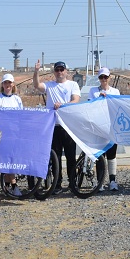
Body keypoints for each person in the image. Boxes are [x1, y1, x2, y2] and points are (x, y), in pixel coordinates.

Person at [32, 60, 81, 191]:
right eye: (57, 70)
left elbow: (76, 100)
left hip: (68, 125)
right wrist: (36, 71)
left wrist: (63, 105)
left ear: (66, 71)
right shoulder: (50, 85)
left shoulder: (73, 84)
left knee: (70, 156)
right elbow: (37, 85)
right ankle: (57, 183)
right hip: (53, 126)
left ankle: (72, 182)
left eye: (61, 70)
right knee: (55, 157)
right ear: (54, 72)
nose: (59, 72)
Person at [0, 73, 24, 195]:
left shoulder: (17, 99)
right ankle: (14, 185)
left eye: (9, 82)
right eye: (5, 82)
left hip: (14, 133)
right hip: (1, 134)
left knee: (11, 160)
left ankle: (7, 186)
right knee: (5, 160)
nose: (7, 85)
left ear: (13, 84)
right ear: (2, 84)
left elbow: (21, 116)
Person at [89, 68, 121, 192]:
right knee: (100, 155)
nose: (103, 79)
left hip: (111, 127)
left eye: (105, 77)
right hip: (99, 127)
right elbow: (90, 106)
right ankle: (100, 181)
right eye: (101, 77)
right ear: (99, 78)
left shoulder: (115, 91)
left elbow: (118, 107)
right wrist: (99, 99)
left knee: (112, 155)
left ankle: (113, 181)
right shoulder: (93, 91)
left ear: (109, 78)